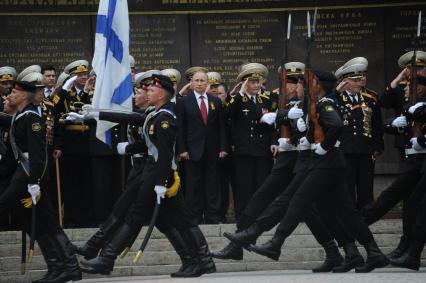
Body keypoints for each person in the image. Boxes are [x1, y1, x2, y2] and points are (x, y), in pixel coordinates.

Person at [249, 70, 389, 273]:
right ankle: (365, 253)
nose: (308, 85)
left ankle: (275, 243)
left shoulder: (325, 103)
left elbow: (336, 125)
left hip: (327, 162)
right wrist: (306, 135)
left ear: (319, 85)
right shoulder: (319, 103)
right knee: (343, 211)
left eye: (312, 81)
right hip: (330, 163)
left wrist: (324, 146)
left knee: (299, 199)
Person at [76, 74, 216, 278]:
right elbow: (135, 119)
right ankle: (200, 261)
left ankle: (107, 258)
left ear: (162, 95)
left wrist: (160, 183)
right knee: (178, 220)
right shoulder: (157, 113)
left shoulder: (165, 117)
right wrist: (97, 114)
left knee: (136, 214)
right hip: (156, 172)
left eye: (151, 90)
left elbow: (166, 154)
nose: (147, 93)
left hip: (158, 174)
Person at [0, 81, 81, 283]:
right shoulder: (19, 117)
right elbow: (11, 155)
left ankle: (67, 267)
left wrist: (34, 182)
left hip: (30, 177)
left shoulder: (32, 118)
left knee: (8, 207)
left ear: (24, 96)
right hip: (23, 176)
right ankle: (60, 267)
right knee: (40, 224)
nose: (10, 94)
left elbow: (38, 155)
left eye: (15, 91)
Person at [224, 63, 277, 219]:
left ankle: (260, 215)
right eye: (252, 82)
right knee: (244, 185)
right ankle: (243, 215)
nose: (255, 85)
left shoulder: (266, 99)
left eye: (258, 82)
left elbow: (273, 125)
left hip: (262, 149)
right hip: (244, 150)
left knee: (262, 184)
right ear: (244, 83)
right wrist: (240, 93)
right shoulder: (237, 99)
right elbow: (228, 112)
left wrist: (274, 142)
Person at [176, 69, 228, 224]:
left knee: (212, 184)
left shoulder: (215, 101)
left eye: (202, 81)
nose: (199, 83)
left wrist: (223, 147)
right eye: (196, 81)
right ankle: (194, 217)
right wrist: (182, 149)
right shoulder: (184, 102)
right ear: (191, 83)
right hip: (192, 152)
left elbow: (221, 127)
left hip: (212, 151)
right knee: (193, 185)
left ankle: (213, 216)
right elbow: (180, 128)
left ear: (207, 83)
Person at [334, 57, 383, 209]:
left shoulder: (371, 97)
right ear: (345, 81)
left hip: (365, 149)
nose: (359, 83)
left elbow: (377, 124)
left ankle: (365, 219)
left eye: (360, 79)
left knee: (365, 188)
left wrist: (377, 147)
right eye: (355, 80)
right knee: (346, 188)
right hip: (345, 150)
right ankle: (348, 219)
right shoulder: (336, 98)